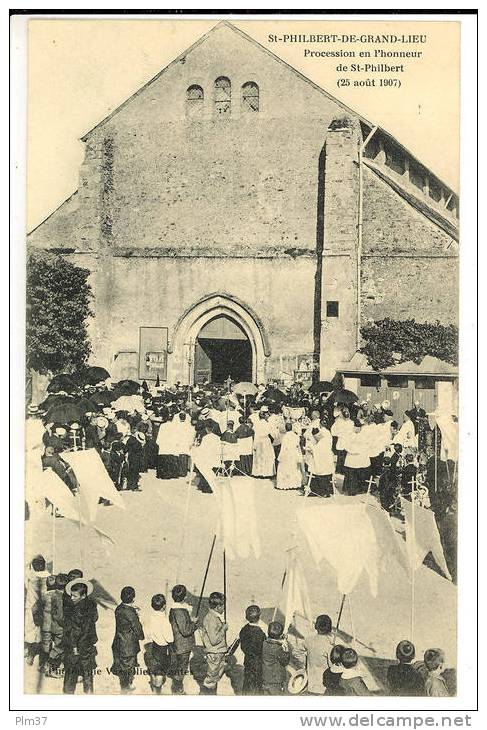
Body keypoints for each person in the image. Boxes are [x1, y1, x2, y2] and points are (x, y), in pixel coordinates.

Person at [62, 579, 98, 694]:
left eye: (74, 596)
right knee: (87, 674)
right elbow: (95, 619)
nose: (72, 598)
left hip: (76, 647)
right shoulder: (91, 604)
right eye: (71, 595)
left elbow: (74, 631)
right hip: (88, 645)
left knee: (71, 675)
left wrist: (73, 646)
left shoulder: (75, 610)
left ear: (83, 596)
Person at [111, 586, 145, 693]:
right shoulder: (131, 613)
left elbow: (125, 615)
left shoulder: (119, 608)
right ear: (133, 599)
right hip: (128, 645)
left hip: (118, 641)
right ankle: (125, 688)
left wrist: (132, 609)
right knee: (127, 667)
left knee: (121, 664)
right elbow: (137, 627)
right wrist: (141, 636)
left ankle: (124, 683)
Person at [169, 584, 199, 694]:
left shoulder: (173, 609)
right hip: (183, 646)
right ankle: (177, 689)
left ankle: (177, 685)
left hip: (177, 643)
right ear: (185, 597)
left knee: (178, 666)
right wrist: (194, 624)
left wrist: (189, 620)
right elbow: (186, 630)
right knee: (182, 668)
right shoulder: (180, 611)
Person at [144, 593, 174, 694]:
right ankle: (157, 691)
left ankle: (153, 683)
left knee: (153, 667)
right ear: (164, 606)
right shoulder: (165, 621)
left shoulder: (151, 617)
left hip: (153, 646)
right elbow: (169, 638)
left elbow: (148, 632)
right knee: (160, 672)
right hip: (162, 649)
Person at [24, 555, 50, 666]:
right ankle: (42, 655)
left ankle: (30, 655)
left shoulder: (32, 576)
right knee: (42, 630)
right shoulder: (48, 576)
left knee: (30, 630)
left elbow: (25, 568)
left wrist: (30, 562)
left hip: (31, 607)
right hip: (44, 607)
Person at [200, 591, 228, 694]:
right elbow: (214, 640)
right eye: (223, 606)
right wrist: (223, 629)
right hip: (214, 653)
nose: (224, 608)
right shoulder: (211, 619)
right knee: (211, 679)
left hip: (218, 652)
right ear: (217, 607)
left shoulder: (214, 616)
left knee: (216, 676)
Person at [239, 605, 266, 695]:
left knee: (247, 681)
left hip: (247, 660)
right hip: (257, 662)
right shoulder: (259, 632)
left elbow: (242, 645)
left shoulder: (244, 629)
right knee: (257, 684)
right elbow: (263, 647)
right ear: (259, 617)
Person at [46, 572, 69, 676]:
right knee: (60, 647)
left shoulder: (52, 594)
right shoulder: (61, 598)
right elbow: (60, 616)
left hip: (52, 626)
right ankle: (50, 668)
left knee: (59, 647)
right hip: (60, 627)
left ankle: (55, 666)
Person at [304, 615, 334, 695]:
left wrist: (305, 662)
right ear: (329, 628)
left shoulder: (308, 639)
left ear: (316, 626)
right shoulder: (329, 645)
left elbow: (296, 651)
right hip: (323, 686)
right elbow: (332, 666)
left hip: (310, 683)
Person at [261, 621, 290, 695]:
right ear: (280, 635)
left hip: (265, 677)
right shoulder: (278, 648)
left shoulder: (263, 643)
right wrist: (286, 648)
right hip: (276, 680)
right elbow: (285, 661)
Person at [276, 422, 304, 491]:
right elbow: (298, 446)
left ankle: (286, 484)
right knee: (294, 468)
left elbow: (283, 448)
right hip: (294, 453)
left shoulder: (285, 437)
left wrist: (280, 457)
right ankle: (295, 484)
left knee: (285, 468)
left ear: (285, 429)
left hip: (287, 454)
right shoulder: (296, 436)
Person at [308, 427, 335, 497]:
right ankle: (326, 491)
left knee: (312, 467)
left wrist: (311, 448)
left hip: (323, 465)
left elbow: (316, 451)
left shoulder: (321, 443)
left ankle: (318, 491)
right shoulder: (325, 440)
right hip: (328, 465)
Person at [252, 407, 276, 478]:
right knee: (267, 456)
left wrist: (255, 444)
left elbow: (256, 434)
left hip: (259, 440)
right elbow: (271, 433)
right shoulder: (267, 424)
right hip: (266, 441)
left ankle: (259, 472)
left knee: (259, 457)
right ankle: (267, 473)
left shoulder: (257, 424)